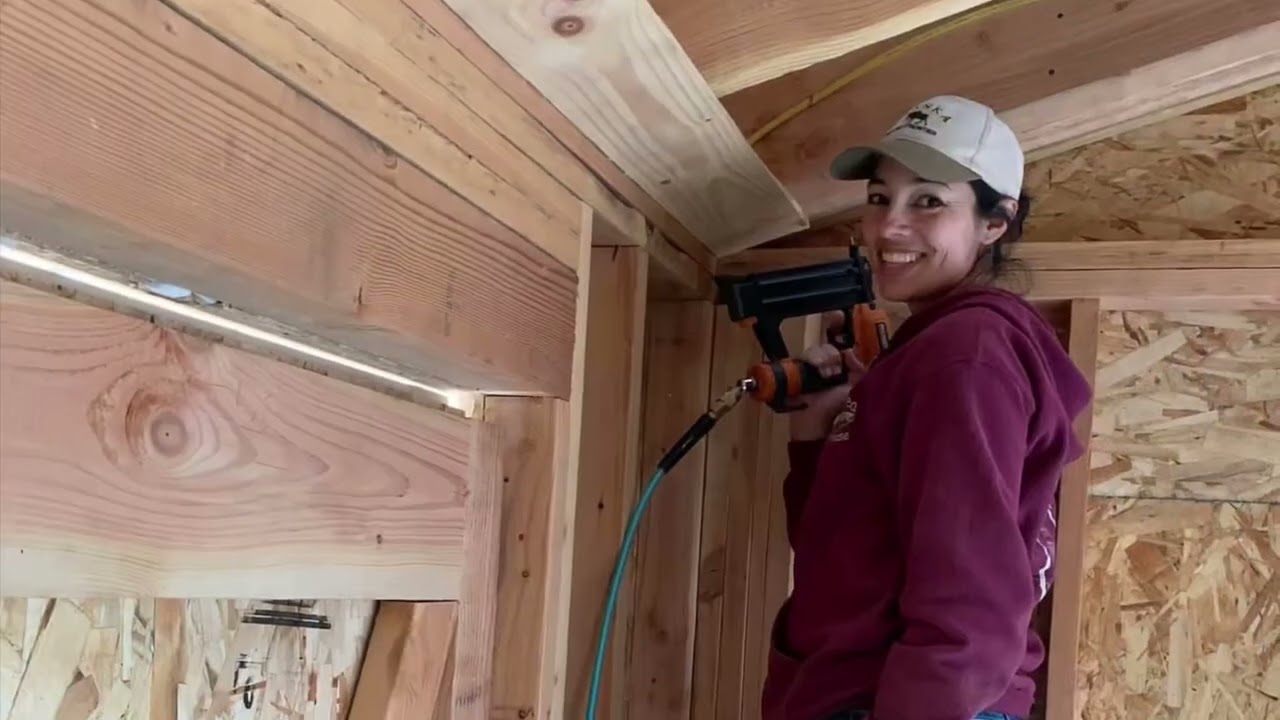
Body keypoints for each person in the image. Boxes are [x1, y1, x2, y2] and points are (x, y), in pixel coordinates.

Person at [760, 95, 1093, 720]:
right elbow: (838, 555)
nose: (890, 227)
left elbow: (971, 595)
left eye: (929, 201)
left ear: (995, 222)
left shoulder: (964, 356)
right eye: (881, 198)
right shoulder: (929, 357)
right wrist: (819, 434)